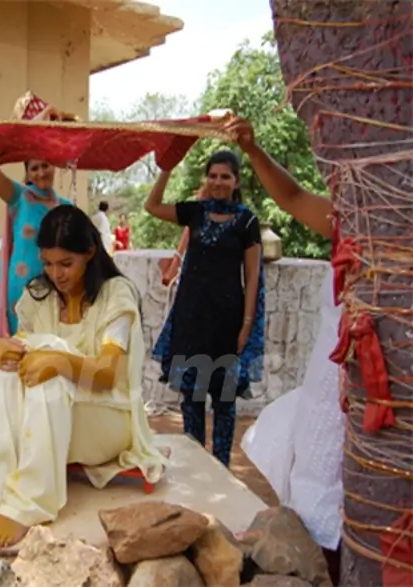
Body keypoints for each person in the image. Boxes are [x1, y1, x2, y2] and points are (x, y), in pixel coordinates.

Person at [0, 205, 167, 550]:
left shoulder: (115, 294)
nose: (57, 274)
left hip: (108, 421)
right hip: (56, 422)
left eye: (66, 263)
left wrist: (60, 361)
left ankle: (29, 504)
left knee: (49, 354)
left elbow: (108, 375)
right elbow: (22, 352)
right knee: (13, 364)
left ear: (90, 253)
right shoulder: (40, 294)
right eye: (48, 263)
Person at [227, 117, 343, 584]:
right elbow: (294, 198)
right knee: (314, 474)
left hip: (387, 394)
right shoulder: (352, 217)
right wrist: (254, 151)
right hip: (331, 377)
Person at [146, 150, 265, 468]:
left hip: (227, 324)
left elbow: (252, 277)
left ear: (236, 181)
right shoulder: (195, 213)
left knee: (224, 401)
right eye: (212, 175)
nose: (218, 182)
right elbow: (152, 206)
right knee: (192, 399)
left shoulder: (247, 221)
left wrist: (246, 325)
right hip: (191, 321)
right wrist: (166, 169)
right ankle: (196, 466)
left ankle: (221, 468)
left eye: (225, 176)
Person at [0, 105, 74, 344]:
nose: (41, 172)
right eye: (34, 168)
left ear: (54, 165)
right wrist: (26, 130)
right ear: (27, 172)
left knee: (47, 352)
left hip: (56, 291)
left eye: (45, 165)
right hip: (20, 290)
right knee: (16, 352)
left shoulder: (66, 207)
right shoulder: (19, 197)